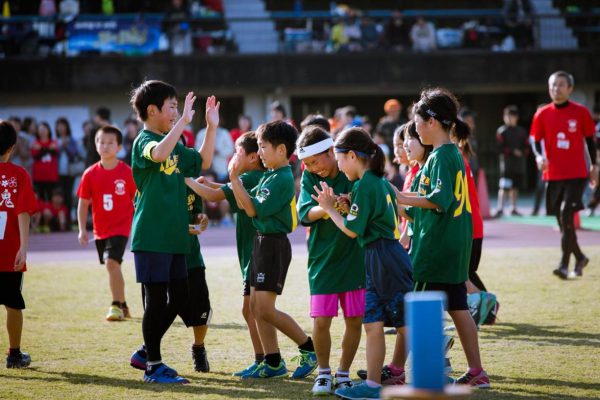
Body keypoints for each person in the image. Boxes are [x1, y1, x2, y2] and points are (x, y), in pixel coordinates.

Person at [127, 80, 220, 384]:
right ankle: (153, 365)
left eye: (177, 107)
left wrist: (211, 126)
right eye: (172, 107)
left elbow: (203, 160)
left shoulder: (176, 144)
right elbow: (157, 154)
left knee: (181, 298)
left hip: (176, 239)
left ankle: (145, 352)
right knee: (155, 301)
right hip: (152, 237)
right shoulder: (144, 140)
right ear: (152, 111)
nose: (177, 112)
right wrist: (181, 123)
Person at [396, 87, 489, 388]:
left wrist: (401, 198)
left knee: (414, 306)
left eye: (417, 121)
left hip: (436, 247)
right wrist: (402, 203)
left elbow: (440, 200)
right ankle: (477, 371)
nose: (415, 128)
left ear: (432, 122)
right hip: (451, 243)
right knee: (458, 307)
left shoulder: (441, 156)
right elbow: (433, 204)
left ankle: (396, 370)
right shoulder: (449, 154)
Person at [311, 127, 414, 400]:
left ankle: (435, 358)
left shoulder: (366, 184)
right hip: (376, 256)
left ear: (353, 156)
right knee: (373, 323)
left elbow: (352, 230)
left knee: (403, 321)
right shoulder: (373, 182)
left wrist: (331, 207)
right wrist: (347, 202)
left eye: (339, 157)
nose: (339, 164)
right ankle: (372, 384)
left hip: (385, 256)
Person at [227, 120, 317, 379]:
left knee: (265, 308)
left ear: (281, 150)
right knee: (256, 307)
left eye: (264, 147)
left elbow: (252, 208)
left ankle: (308, 349)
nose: (260, 152)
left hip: (273, 244)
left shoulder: (281, 177)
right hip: (261, 241)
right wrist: (236, 183)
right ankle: (273, 361)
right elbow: (246, 204)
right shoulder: (270, 174)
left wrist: (234, 177)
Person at [184, 131, 266, 377]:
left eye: (238, 152)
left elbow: (213, 197)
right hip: (253, 253)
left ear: (252, 157)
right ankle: (265, 358)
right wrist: (209, 184)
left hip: (255, 253)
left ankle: (265, 359)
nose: (233, 156)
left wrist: (185, 180)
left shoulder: (249, 177)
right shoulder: (252, 176)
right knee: (253, 310)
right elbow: (222, 190)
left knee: (252, 310)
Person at [296, 126, 365, 395]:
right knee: (321, 320)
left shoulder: (352, 170)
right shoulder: (308, 176)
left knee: (355, 319)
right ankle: (323, 373)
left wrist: (338, 203)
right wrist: (327, 207)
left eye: (315, 161)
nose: (313, 168)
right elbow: (305, 212)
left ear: (330, 152)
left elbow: (358, 208)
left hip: (354, 258)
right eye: (307, 165)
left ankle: (343, 372)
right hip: (322, 260)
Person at [530, 71, 598, 279]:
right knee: (562, 221)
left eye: (561, 85)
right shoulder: (542, 114)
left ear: (570, 89)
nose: (556, 89)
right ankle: (580, 257)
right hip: (552, 175)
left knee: (566, 214)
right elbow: (535, 140)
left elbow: (590, 141)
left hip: (576, 174)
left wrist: (594, 165)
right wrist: (539, 157)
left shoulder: (582, 113)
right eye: (553, 85)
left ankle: (563, 264)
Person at [77, 125, 136, 321]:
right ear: (95, 145)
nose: (105, 146)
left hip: (121, 227)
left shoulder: (127, 172)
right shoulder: (89, 174)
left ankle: (116, 305)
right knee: (113, 266)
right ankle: (125, 304)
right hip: (100, 230)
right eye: (101, 142)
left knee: (112, 263)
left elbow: (137, 199)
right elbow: (83, 204)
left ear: (119, 147)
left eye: (111, 142)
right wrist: (81, 229)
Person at [0, 120, 38, 369]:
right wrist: (23, 248)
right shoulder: (18, 175)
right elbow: (23, 212)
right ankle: (14, 354)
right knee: (12, 302)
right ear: (12, 147)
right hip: (8, 252)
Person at [495, 105, 529, 217]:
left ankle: (513, 208)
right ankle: (500, 208)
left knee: (515, 187)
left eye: (512, 116)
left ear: (517, 117)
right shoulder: (501, 131)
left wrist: (522, 152)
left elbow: (527, 147)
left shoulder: (522, 132)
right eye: (507, 116)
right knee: (504, 186)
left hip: (518, 164)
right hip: (506, 164)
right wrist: (512, 151)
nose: (509, 118)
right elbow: (499, 148)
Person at [56, 117, 84, 220]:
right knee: (58, 196)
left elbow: (75, 154)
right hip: (57, 172)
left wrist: (66, 146)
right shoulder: (55, 140)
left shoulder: (72, 140)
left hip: (69, 172)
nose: (61, 128)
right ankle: (60, 220)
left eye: (63, 126)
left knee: (69, 196)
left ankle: (68, 219)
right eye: (59, 126)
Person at [31, 121, 59, 202]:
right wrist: (48, 149)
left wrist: (41, 149)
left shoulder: (53, 142)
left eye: (44, 129)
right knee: (40, 198)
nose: (42, 131)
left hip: (51, 176)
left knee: (51, 197)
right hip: (39, 176)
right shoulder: (35, 143)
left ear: (49, 130)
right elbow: (35, 156)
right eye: (40, 129)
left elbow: (55, 153)